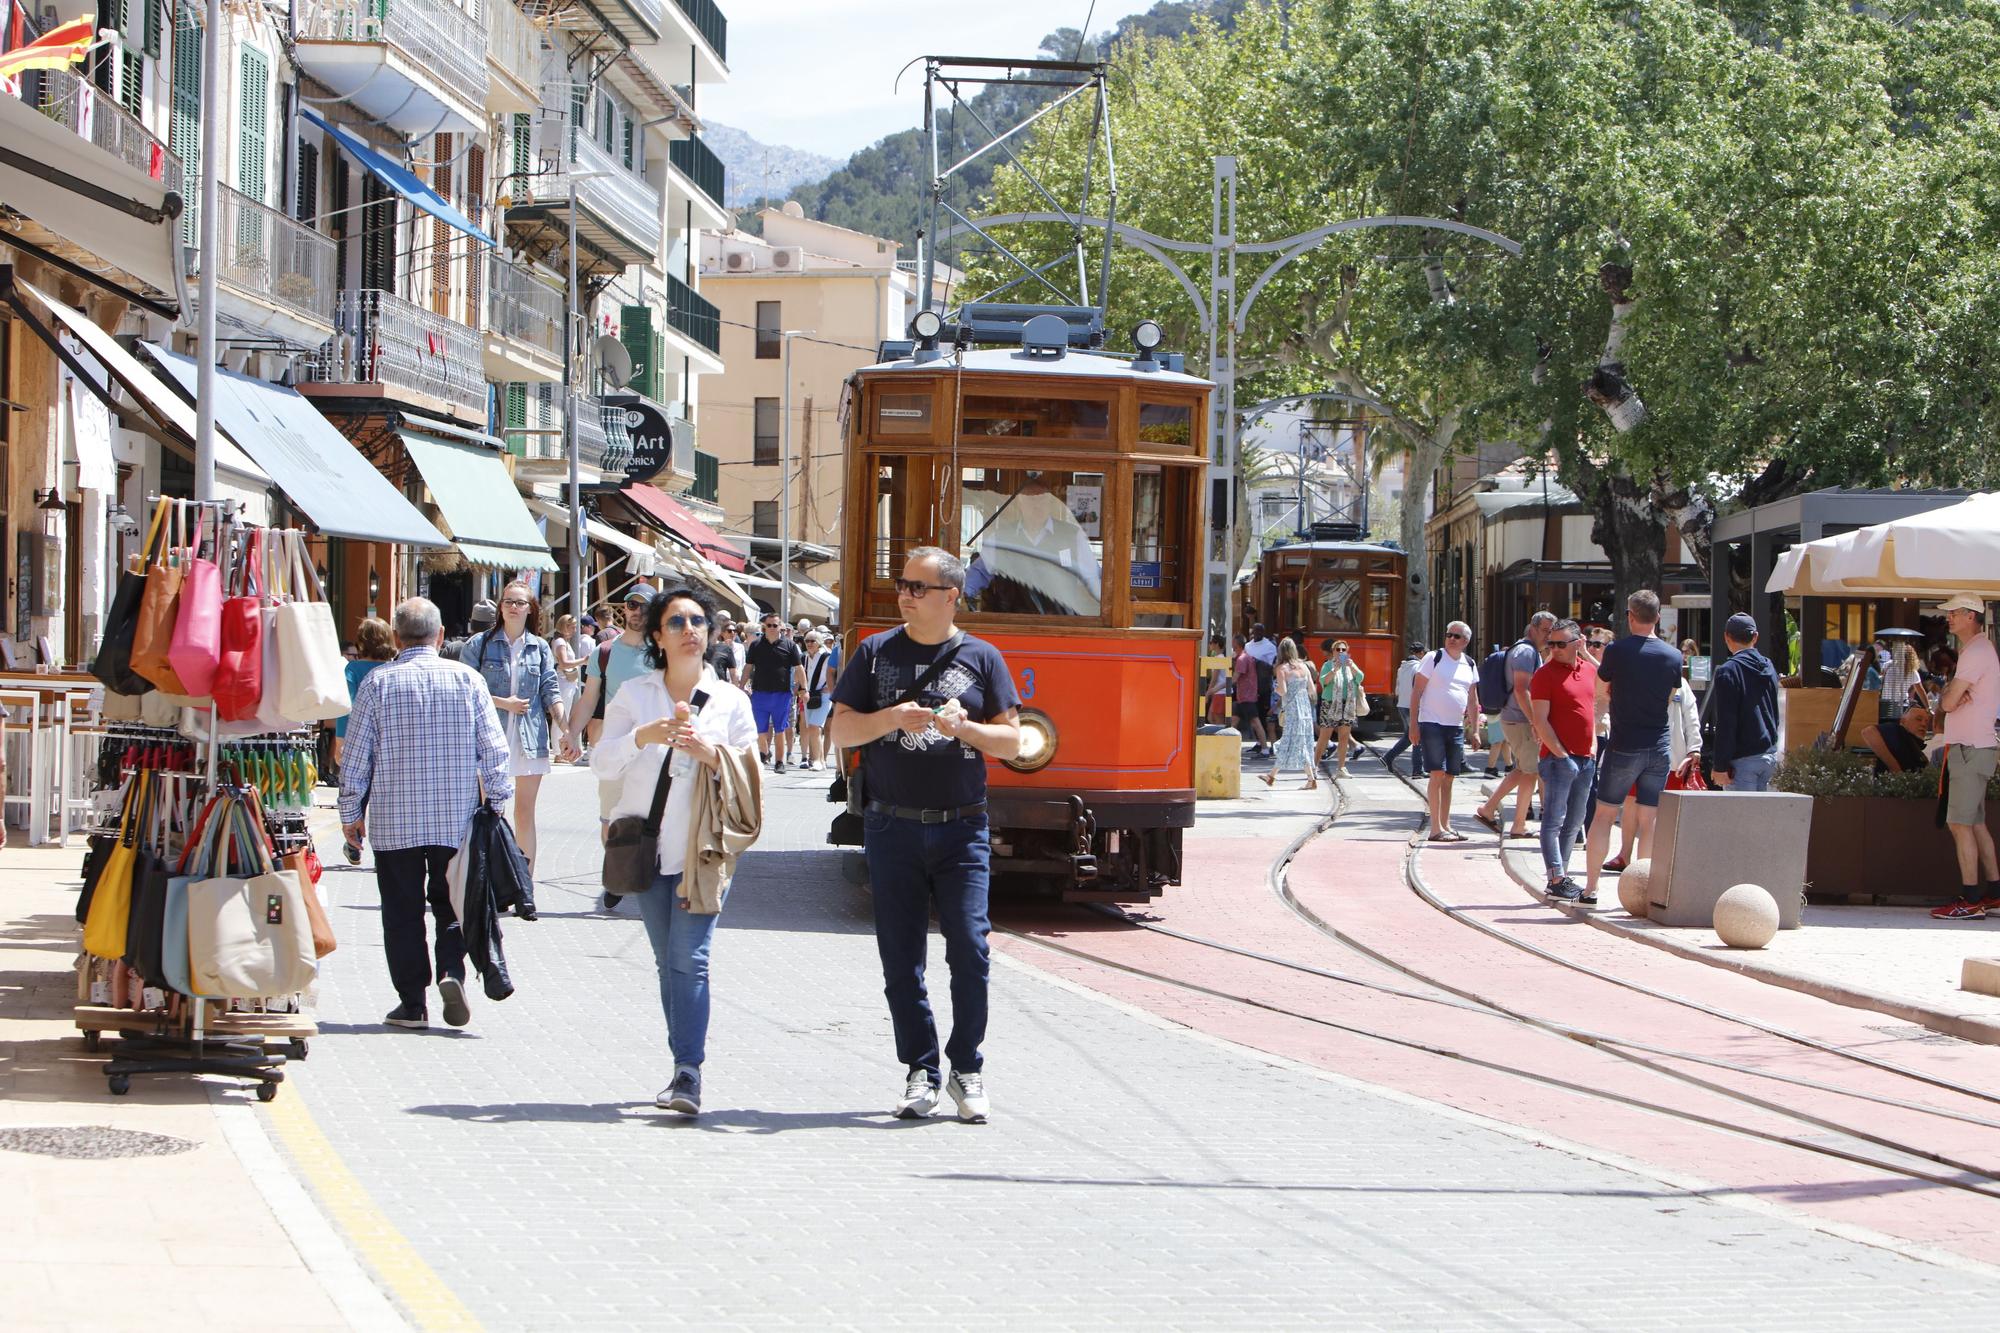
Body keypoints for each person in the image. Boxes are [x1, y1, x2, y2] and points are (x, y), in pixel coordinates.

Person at [827, 547, 1022, 1123]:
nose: (905, 594)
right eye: (903, 584)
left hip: (963, 827)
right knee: (900, 958)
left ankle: (966, 1067)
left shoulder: (983, 658)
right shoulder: (875, 652)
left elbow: (1013, 743)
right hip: (892, 825)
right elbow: (839, 729)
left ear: (950, 596)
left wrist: (969, 729)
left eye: (918, 586)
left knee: (971, 948)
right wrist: (891, 718)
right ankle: (921, 1069)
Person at [592, 587, 759, 1114]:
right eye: (676, 622)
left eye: (698, 621)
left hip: (703, 852)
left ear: (709, 634)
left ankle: (688, 1072)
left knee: (691, 960)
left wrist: (713, 754)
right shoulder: (635, 696)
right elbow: (602, 765)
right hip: (646, 849)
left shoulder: (731, 701)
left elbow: (751, 778)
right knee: (668, 963)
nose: (689, 629)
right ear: (658, 637)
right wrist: (644, 736)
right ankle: (680, 1063)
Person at [339, 598, 512, 1030]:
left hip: (394, 821)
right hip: (455, 821)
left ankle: (412, 1003)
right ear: (439, 636)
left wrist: (349, 813)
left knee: (401, 910)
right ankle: (452, 971)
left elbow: (357, 758)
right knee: (450, 903)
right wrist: (497, 801)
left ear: (397, 638)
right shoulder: (468, 681)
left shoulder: (377, 684)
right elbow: (494, 751)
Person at [561, 583, 658, 913]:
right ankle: (618, 871)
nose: (637, 612)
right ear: (625, 609)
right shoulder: (605, 652)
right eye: (632, 605)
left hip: (655, 749)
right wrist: (572, 734)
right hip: (616, 747)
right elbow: (589, 699)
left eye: (645, 606)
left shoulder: (663, 651)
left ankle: (646, 869)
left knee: (653, 817)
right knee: (610, 820)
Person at [462, 581, 565, 888]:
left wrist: (565, 724)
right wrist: (502, 702)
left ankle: (524, 884)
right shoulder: (479, 644)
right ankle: (488, 881)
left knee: (524, 813)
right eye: (508, 601)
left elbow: (550, 688)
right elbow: (467, 688)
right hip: (488, 737)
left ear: (530, 609)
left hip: (529, 738)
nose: (513, 607)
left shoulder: (540, 646)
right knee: (490, 811)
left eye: (520, 602)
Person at [1584, 592, 1685, 903]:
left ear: (1629, 615)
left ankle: (1591, 889)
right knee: (1649, 819)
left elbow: (1601, 692)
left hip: (1624, 743)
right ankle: (1644, 893)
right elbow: (1670, 698)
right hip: (1659, 745)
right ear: (1657, 618)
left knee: (1603, 815)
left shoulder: (1616, 652)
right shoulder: (1673, 656)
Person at [1930, 595, 2000, 921]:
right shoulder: (1979, 650)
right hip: (1975, 748)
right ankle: (1993, 894)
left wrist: (1950, 695)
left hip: (1969, 749)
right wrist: (1952, 696)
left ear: (1971, 616)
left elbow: (1946, 703)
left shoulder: (1975, 653)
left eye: (1954, 613)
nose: (1949, 619)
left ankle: (1970, 900)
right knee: (1974, 823)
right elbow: (1952, 701)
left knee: (1960, 824)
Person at [1529, 620, 1598, 900]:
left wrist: (1592, 746)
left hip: (1586, 758)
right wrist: (1561, 754)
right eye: (1551, 644)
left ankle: (1562, 876)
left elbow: (1596, 705)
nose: (1554, 649)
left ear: (1578, 643)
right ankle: (1556, 877)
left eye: (1561, 643)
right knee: (1554, 820)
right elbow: (1540, 721)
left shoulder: (1589, 670)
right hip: (1558, 760)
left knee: (1575, 820)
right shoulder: (1544, 675)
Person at [1475, 612, 1555, 840]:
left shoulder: (1529, 651)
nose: (1548, 636)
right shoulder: (1526, 652)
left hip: (1515, 718)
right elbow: (1521, 689)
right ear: (1533, 628)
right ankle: (1518, 825)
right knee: (1530, 771)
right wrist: (1535, 722)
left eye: (1551, 631)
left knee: (1523, 770)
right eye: (1545, 631)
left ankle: (1488, 809)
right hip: (1520, 720)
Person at [1409, 621, 1482, 841]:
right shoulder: (1433, 658)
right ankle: (1435, 828)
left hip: (1455, 726)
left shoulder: (1469, 663)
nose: (1451, 638)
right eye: (1449, 634)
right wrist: (1413, 724)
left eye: (1457, 636)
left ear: (1466, 642)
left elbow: (1472, 698)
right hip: (1431, 723)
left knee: (1450, 776)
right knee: (1437, 773)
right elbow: (1416, 691)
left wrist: (1476, 730)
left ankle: (1446, 824)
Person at [1707, 612, 1783, 792]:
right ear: (1755, 637)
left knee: (1740, 819)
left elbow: (1727, 722)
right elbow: (1775, 712)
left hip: (1742, 761)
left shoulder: (1728, 671)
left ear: (1727, 637)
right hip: (1769, 756)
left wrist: (1720, 765)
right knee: (1763, 819)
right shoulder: (1769, 666)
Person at [745, 611, 806, 772]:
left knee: (780, 729)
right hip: (760, 693)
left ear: (781, 627)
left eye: (775, 625)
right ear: (764, 627)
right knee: (760, 730)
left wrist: (804, 689)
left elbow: (799, 668)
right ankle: (764, 752)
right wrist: (740, 687)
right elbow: (748, 668)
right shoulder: (756, 645)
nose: (772, 628)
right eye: (769, 625)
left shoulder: (790, 645)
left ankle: (780, 762)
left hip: (782, 694)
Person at [1263, 639, 1321, 792]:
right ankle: (1273, 776)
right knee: (1301, 743)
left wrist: (1276, 690)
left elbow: (1283, 691)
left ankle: (1308, 779)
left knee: (1290, 741)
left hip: (1293, 710)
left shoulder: (1281, 668)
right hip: (1305, 709)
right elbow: (1312, 690)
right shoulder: (1304, 666)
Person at [1314, 639, 1366, 778]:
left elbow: (1360, 677)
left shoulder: (1350, 665)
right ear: (1333, 651)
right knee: (1325, 736)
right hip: (1330, 703)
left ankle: (1341, 768)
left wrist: (1352, 667)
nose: (1341, 652)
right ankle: (1314, 767)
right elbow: (1323, 681)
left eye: (1344, 650)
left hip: (1347, 704)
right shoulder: (1327, 665)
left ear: (1347, 651)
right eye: (1338, 650)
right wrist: (1334, 670)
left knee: (1343, 737)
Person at [1380, 642, 1424, 776]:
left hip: (1402, 705)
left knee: (1408, 736)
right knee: (1417, 737)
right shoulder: (1418, 668)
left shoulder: (1402, 667)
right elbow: (1419, 689)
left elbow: (1398, 689)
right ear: (1420, 653)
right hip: (1413, 706)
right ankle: (1417, 770)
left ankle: (1388, 757)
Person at [799, 628, 836, 770]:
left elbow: (835, 673)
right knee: (811, 728)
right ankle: (818, 759)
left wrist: (831, 687)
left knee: (815, 727)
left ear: (819, 642)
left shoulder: (827, 655)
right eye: (807, 641)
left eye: (812, 641)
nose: (809, 643)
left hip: (824, 696)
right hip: (808, 695)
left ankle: (818, 761)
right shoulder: (804, 657)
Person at [1862, 705, 1932, 774]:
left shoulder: (1919, 749)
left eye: (1926, 722)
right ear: (1903, 721)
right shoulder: (1897, 731)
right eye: (1918, 719)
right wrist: (1895, 769)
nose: (1923, 724)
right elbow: (1869, 732)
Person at [1232, 635, 1270, 756]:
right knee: (1233, 721)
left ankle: (1264, 749)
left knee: (1255, 723)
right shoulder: (1247, 657)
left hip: (1246, 696)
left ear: (1235, 645)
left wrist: (1217, 688)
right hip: (1244, 696)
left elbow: (1234, 678)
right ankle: (1226, 747)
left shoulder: (1242, 659)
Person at [1880, 639, 1927, 721]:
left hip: (1897, 704)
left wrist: (1928, 707)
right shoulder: (1888, 666)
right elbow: (1920, 690)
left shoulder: (1912, 672)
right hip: (1890, 703)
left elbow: (1920, 690)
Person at [551, 612, 586, 722]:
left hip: (566, 682)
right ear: (565, 627)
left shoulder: (560, 640)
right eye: (572, 627)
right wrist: (583, 661)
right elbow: (563, 663)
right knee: (562, 716)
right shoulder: (560, 642)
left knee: (563, 715)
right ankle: (558, 739)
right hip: (563, 682)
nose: (575, 631)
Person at [1246, 624, 1279, 733]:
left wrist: (1257, 662)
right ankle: (1258, 739)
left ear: (1263, 632)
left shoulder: (1270, 646)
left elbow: (1271, 667)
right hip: (1250, 685)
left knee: (1262, 713)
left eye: (1260, 631)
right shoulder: (1248, 646)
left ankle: (1263, 739)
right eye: (1255, 631)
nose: (1257, 633)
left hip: (1263, 685)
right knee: (1253, 713)